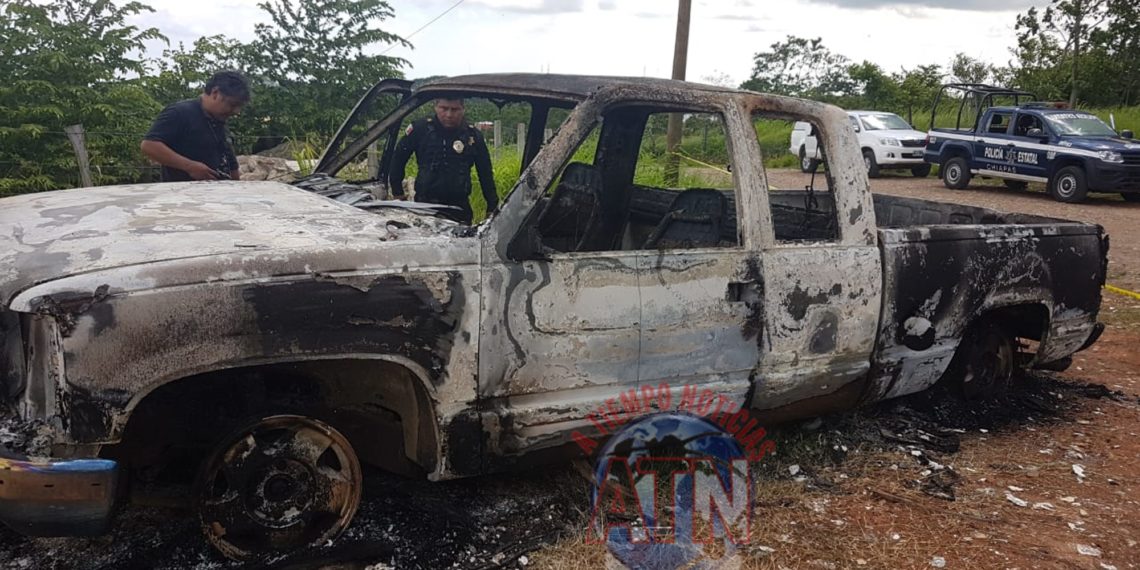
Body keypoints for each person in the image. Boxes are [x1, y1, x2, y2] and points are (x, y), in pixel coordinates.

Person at [388, 98, 497, 224]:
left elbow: (485, 173)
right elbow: (398, 158)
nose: (449, 115)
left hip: (458, 208)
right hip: (425, 206)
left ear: (463, 109)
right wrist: (398, 193)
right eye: (444, 109)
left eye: (455, 109)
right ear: (436, 107)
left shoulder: (472, 135)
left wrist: (492, 205)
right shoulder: (420, 129)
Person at [141, 70, 249, 182]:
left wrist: (236, 186)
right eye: (232, 104)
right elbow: (149, 145)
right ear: (215, 93)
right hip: (183, 194)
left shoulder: (218, 118)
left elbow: (228, 155)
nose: (236, 111)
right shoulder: (179, 112)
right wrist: (189, 166)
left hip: (217, 193)